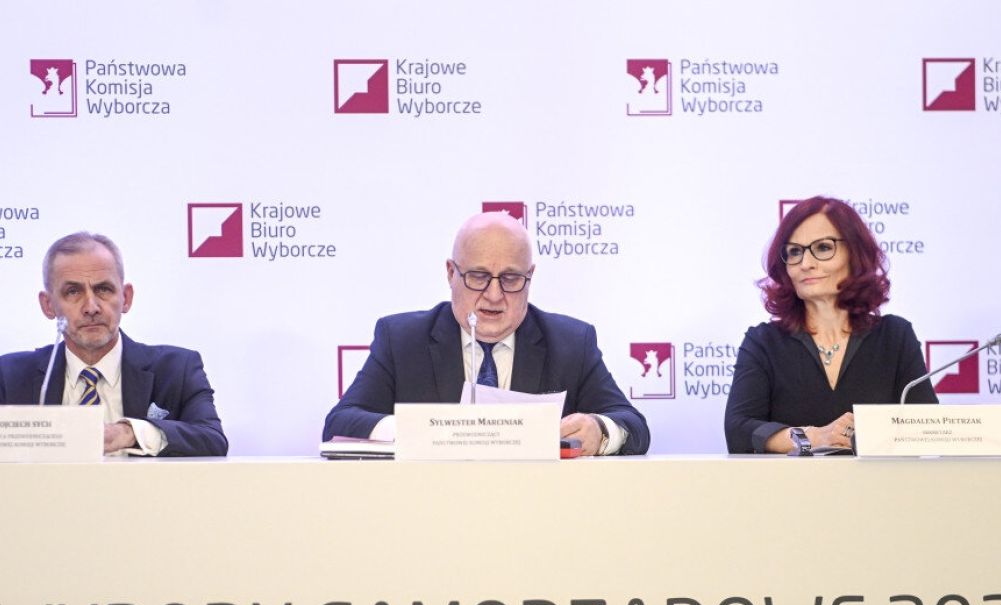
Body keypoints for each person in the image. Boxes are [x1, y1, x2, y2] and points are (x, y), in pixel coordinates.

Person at [323, 211, 650, 455]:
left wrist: (599, 431)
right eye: (478, 277)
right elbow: (339, 423)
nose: (494, 296)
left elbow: (633, 426)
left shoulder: (571, 343)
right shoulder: (402, 340)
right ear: (451, 273)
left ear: (530, 276)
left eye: (510, 279)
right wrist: (419, 428)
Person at [724, 196, 937, 454]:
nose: (806, 264)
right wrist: (814, 437)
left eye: (823, 248)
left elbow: (928, 429)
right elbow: (738, 430)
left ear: (855, 254)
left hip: (878, 480)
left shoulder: (895, 337)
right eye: (794, 252)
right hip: (791, 481)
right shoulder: (764, 342)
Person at [0, 232, 228, 457]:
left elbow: (212, 440)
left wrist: (129, 433)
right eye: (73, 292)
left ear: (126, 298)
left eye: (103, 289)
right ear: (48, 305)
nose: (91, 307)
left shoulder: (176, 369)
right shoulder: (10, 375)